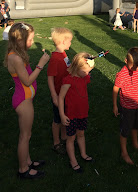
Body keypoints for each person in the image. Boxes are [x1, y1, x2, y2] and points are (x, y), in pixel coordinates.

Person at [4, 22, 49, 179]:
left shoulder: (18, 53)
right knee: (25, 136)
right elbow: (27, 81)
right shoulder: (15, 58)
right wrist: (41, 65)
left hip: (26, 100)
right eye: (30, 39)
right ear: (19, 40)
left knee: (27, 134)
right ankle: (23, 169)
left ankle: (28, 161)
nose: (32, 42)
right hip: (23, 101)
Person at [59, 52, 94, 173]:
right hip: (71, 115)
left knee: (81, 134)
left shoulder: (84, 77)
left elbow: (87, 76)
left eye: (89, 72)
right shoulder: (68, 80)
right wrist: (62, 114)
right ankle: (73, 161)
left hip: (82, 113)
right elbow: (61, 98)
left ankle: (83, 154)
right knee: (71, 137)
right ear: (77, 68)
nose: (88, 74)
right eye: (85, 71)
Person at [113, 47, 138, 165]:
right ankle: (124, 152)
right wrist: (114, 105)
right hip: (126, 108)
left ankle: (135, 143)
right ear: (125, 61)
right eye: (132, 66)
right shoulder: (122, 74)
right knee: (125, 130)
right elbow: (115, 90)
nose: (135, 69)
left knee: (135, 126)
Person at [47, 27, 73, 154]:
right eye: (70, 41)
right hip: (58, 95)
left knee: (64, 115)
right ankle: (56, 142)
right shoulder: (55, 59)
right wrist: (53, 95)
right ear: (63, 41)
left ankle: (64, 136)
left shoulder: (63, 54)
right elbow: (50, 78)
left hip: (65, 94)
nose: (71, 43)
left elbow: (68, 68)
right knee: (57, 119)